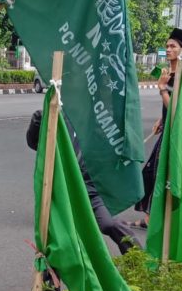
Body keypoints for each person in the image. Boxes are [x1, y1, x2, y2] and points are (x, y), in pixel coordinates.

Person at [25, 109, 137, 256]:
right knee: (59, 237)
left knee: (109, 223)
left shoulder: (100, 120)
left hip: (91, 189)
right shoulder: (58, 118)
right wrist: (37, 121)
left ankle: (138, 261)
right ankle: (49, 274)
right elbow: (34, 143)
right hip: (62, 190)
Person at [134, 28, 182, 227]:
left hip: (178, 132)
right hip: (169, 128)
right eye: (167, 45)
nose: (168, 49)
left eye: (173, 46)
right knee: (152, 171)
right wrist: (161, 119)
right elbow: (170, 110)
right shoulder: (169, 72)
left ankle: (161, 221)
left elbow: (178, 111)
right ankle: (151, 218)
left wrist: (161, 89)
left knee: (166, 174)